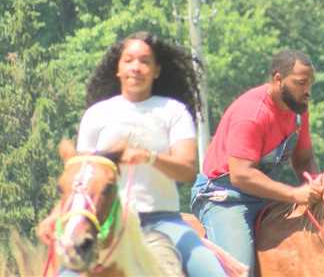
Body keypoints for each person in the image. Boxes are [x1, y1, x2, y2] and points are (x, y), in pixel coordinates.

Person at [38, 31, 226, 277]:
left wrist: (149, 157)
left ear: (157, 70)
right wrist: (56, 215)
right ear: (118, 68)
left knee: (211, 271)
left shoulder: (174, 112)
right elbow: (81, 180)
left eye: (144, 61)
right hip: (106, 224)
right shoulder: (97, 114)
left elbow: (187, 169)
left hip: (162, 221)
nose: (136, 67)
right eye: (128, 60)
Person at [190, 49, 324, 276]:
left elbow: (303, 159)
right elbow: (241, 175)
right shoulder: (252, 113)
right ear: (278, 79)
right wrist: (294, 194)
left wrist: (320, 187)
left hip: (266, 197)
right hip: (225, 197)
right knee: (239, 272)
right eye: (301, 83)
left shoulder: (298, 111)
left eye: (310, 83)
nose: (307, 91)